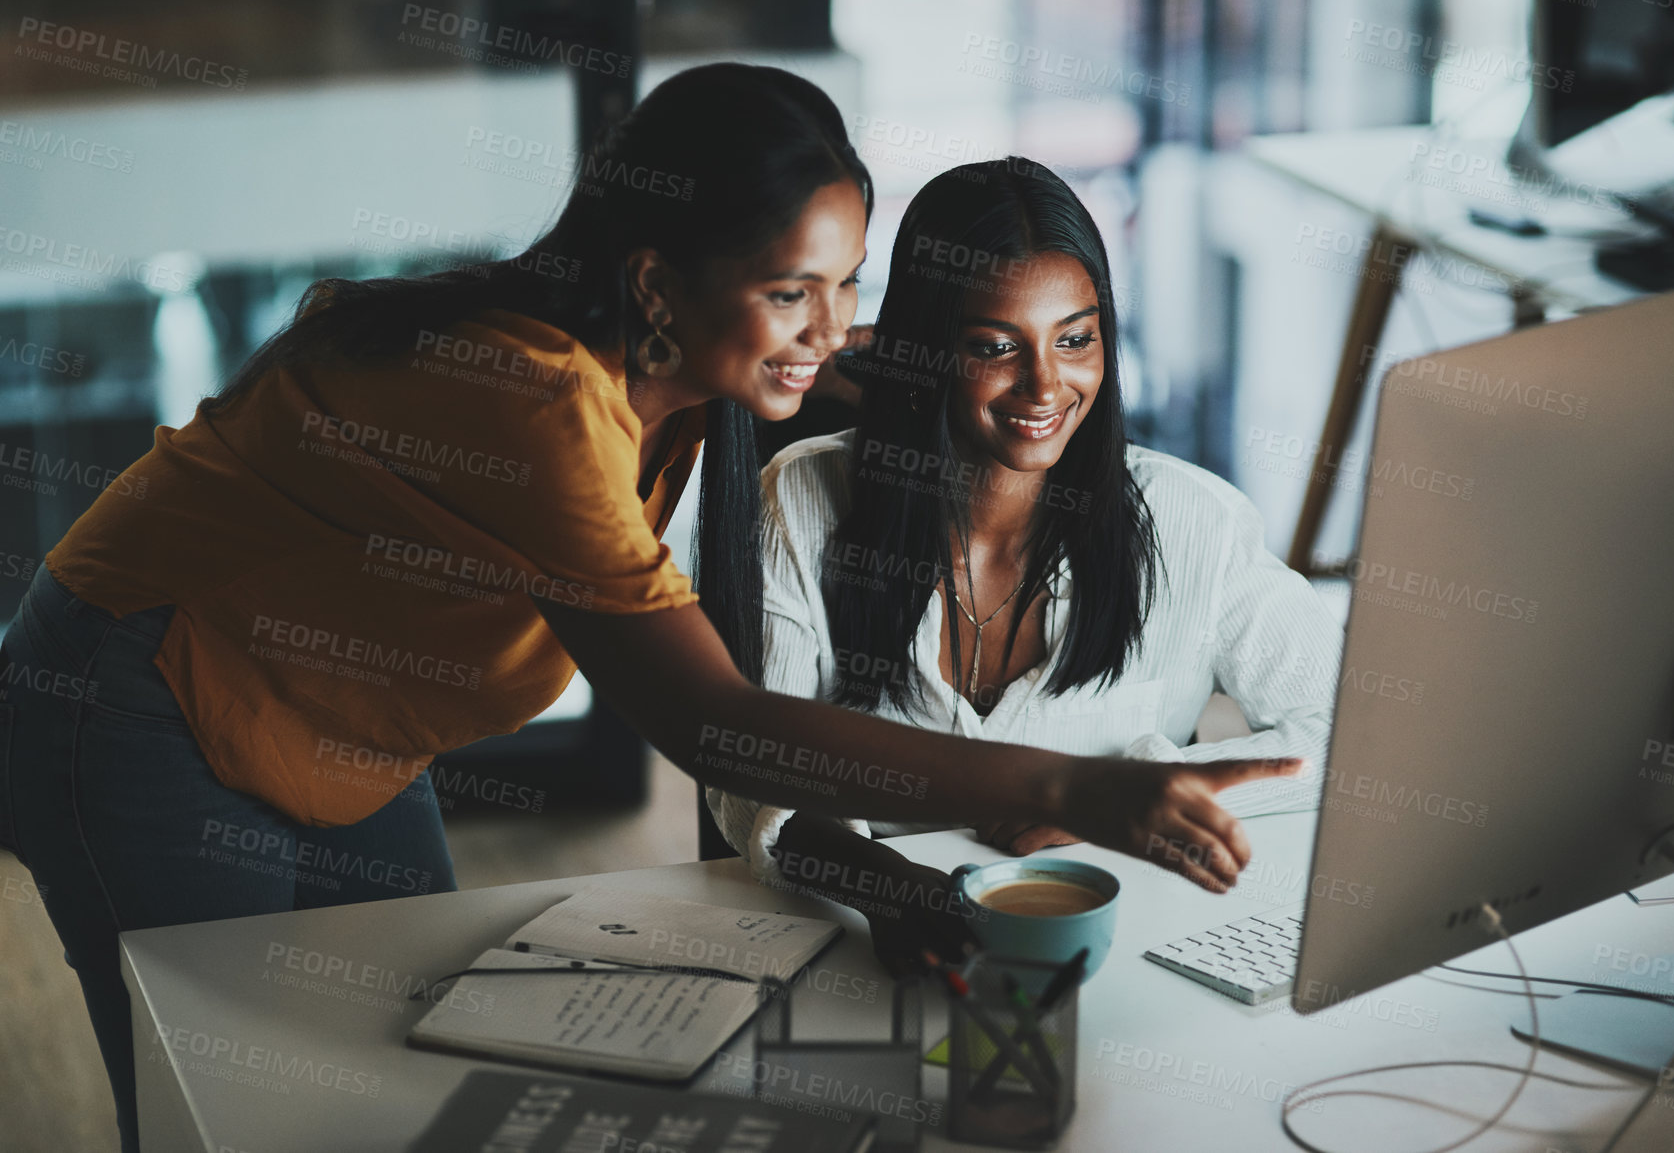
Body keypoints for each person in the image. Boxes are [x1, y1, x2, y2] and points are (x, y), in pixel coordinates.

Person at [0, 68, 1293, 1149]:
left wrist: (973, 361)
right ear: (660, 283)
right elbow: (720, 725)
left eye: (846, 284)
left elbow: (868, 365)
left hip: (346, 717)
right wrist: (1074, 785)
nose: (827, 329)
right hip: (138, 693)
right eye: (793, 290)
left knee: (400, 1057)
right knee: (226, 1097)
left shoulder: (679, 352)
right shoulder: (540, 402)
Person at [707, 158, 1342, 972]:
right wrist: (892, 889)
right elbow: (755, 774)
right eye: (996, 346)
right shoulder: (799, 499)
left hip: (1119, 949)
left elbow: (1350, 738)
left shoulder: (1196, 522)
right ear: (927, 348)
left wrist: (1128, 795)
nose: (1046, 383)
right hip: (859, 945)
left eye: (1075, 339)